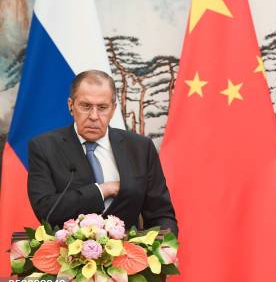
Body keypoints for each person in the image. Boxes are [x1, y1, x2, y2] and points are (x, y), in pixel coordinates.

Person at [27, 70, 178, 235]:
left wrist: (163, 251)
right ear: (71, 106)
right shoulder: (45, 147)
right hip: (68, 257)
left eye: (102, 107)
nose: (94, 116)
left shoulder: (140, 148)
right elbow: (46, 210)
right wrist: (103, 190)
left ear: (113, 109)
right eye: (85, 106)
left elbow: (161, 214)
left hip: (130, 257)